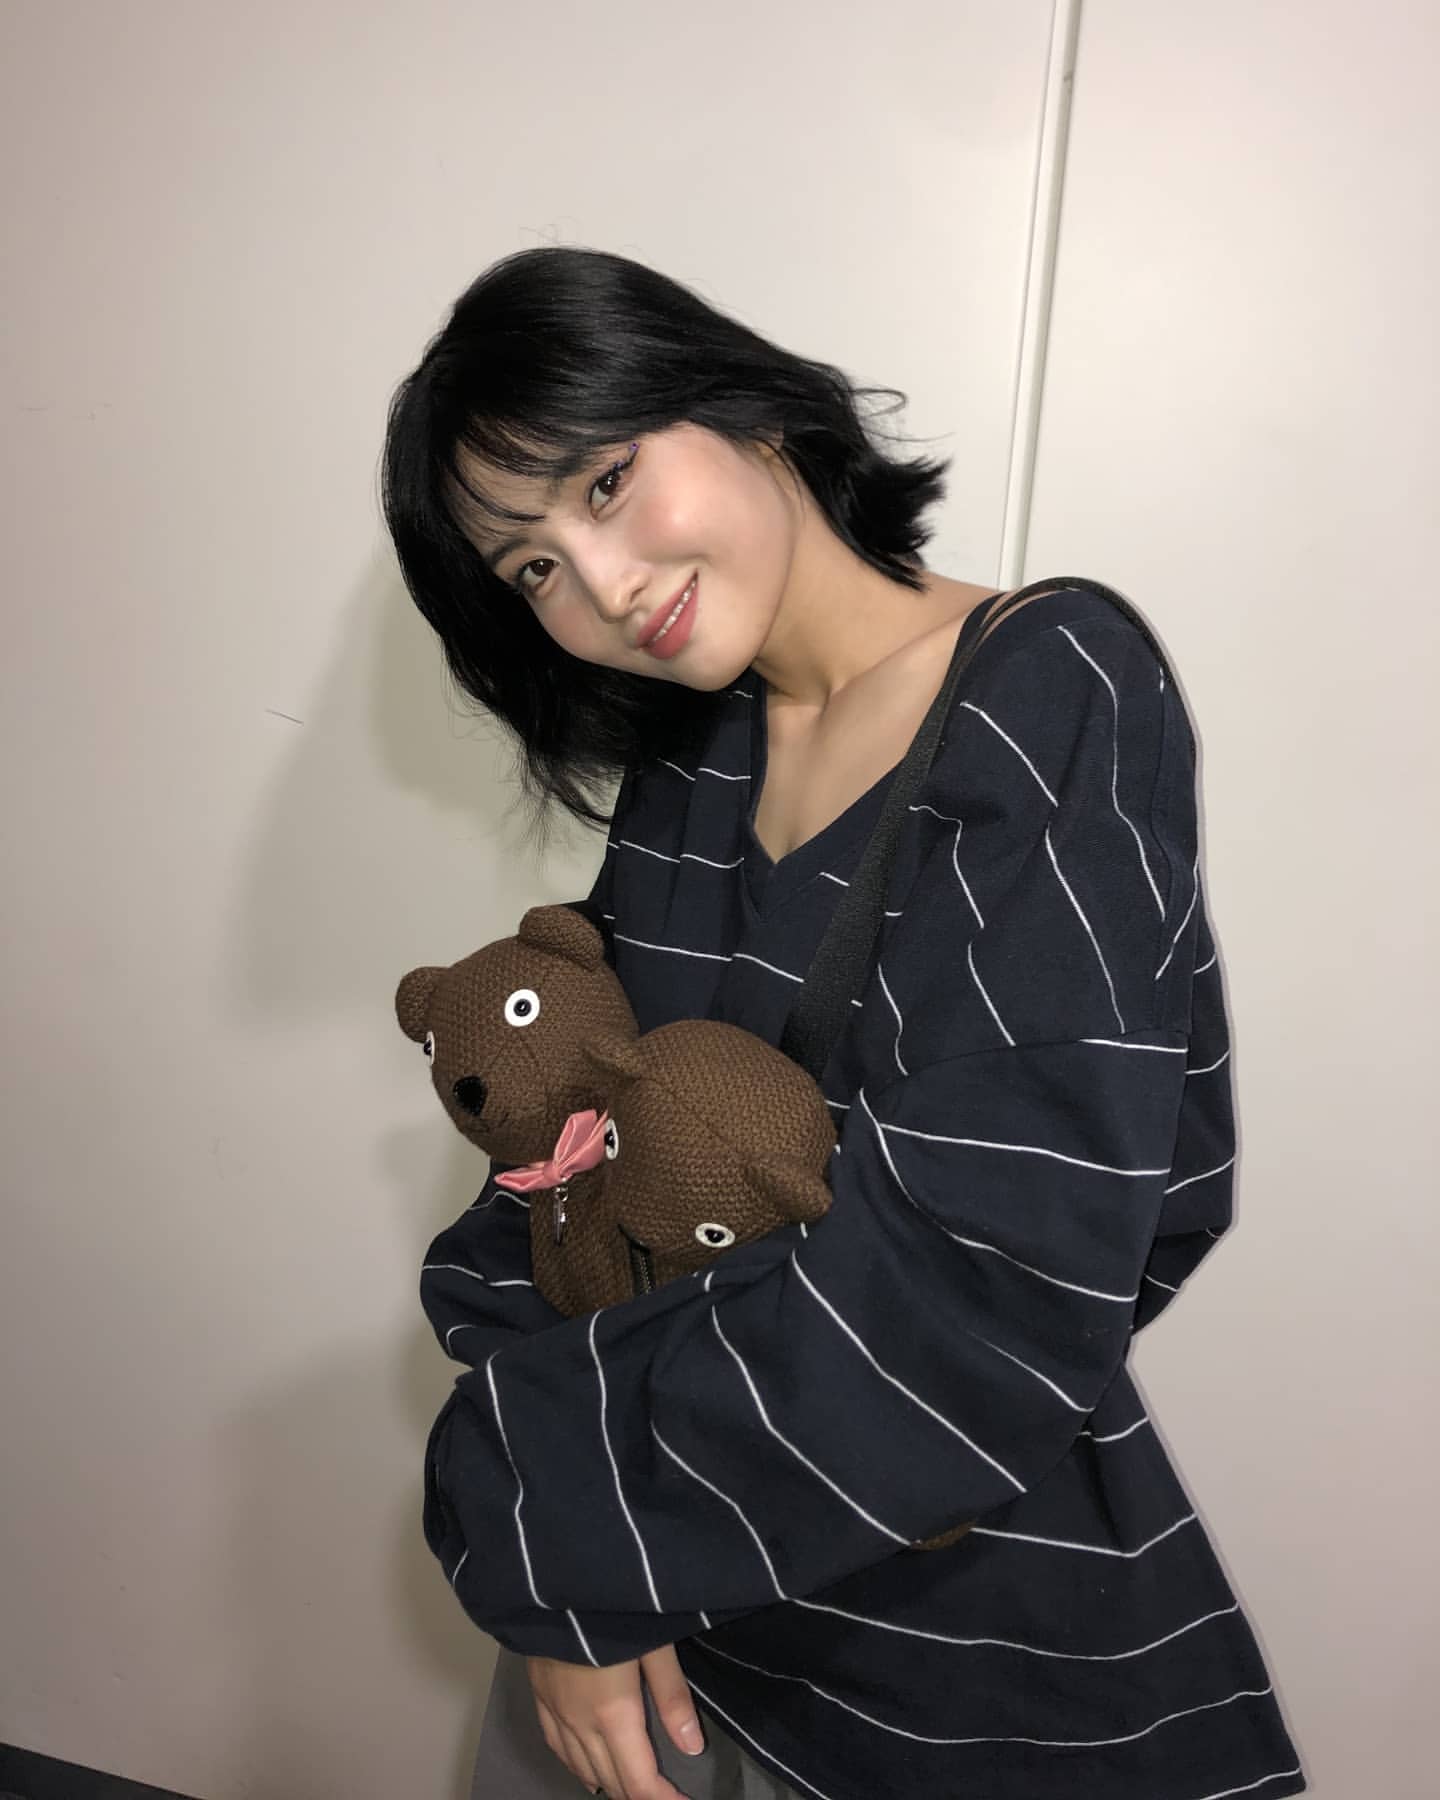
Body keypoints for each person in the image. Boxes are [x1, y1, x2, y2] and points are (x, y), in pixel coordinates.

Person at [381, 246, 1306, 1800]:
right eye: (531, 568)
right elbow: (570, 1157)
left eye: (604, 483)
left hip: (927, 1658)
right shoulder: (698, 756)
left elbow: (997, 1274)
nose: (600, 587)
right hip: (651, 1624)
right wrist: (561, 1564)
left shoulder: (1046, 686)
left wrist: (538, 1507)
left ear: (742, 407)